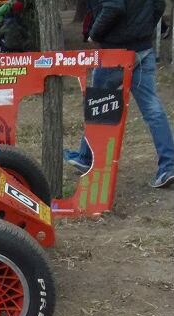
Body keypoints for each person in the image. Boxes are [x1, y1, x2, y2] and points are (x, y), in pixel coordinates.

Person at [64, 0, 174, 188]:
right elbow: (159, 5)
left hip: (116, 52)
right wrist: (144, 29)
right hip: (143, 49)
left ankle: (86, 157)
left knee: (98, 104)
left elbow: (114, 6)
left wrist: (94, 34)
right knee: (152, 109)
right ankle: (169, 166)